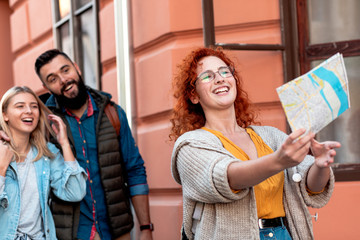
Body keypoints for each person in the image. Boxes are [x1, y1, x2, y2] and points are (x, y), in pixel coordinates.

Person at [169, 47, 340, 240]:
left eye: (225, 72)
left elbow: (312, 186)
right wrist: (279, 161)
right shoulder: (190, 146)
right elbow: (229, 177)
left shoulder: (271, 136)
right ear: (193, 95)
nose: (220, 79)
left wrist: (320, 165)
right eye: (207, 76)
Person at [34, 49, 153, 240]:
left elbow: (134, 170)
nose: (63, 80)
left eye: (65, 70)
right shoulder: (44, 124)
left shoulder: (112, 114)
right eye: (53, 78)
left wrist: (146, 227)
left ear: (77, 68)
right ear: (46, 87)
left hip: (117, 229)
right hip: (74, 232)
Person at [0, 86, 87, 240]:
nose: (29, 111)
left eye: (34, 106)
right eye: (20, 106)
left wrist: (64, 143)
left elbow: (75, 192)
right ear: (5, 114)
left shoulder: (46, 153)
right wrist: (1, 169)